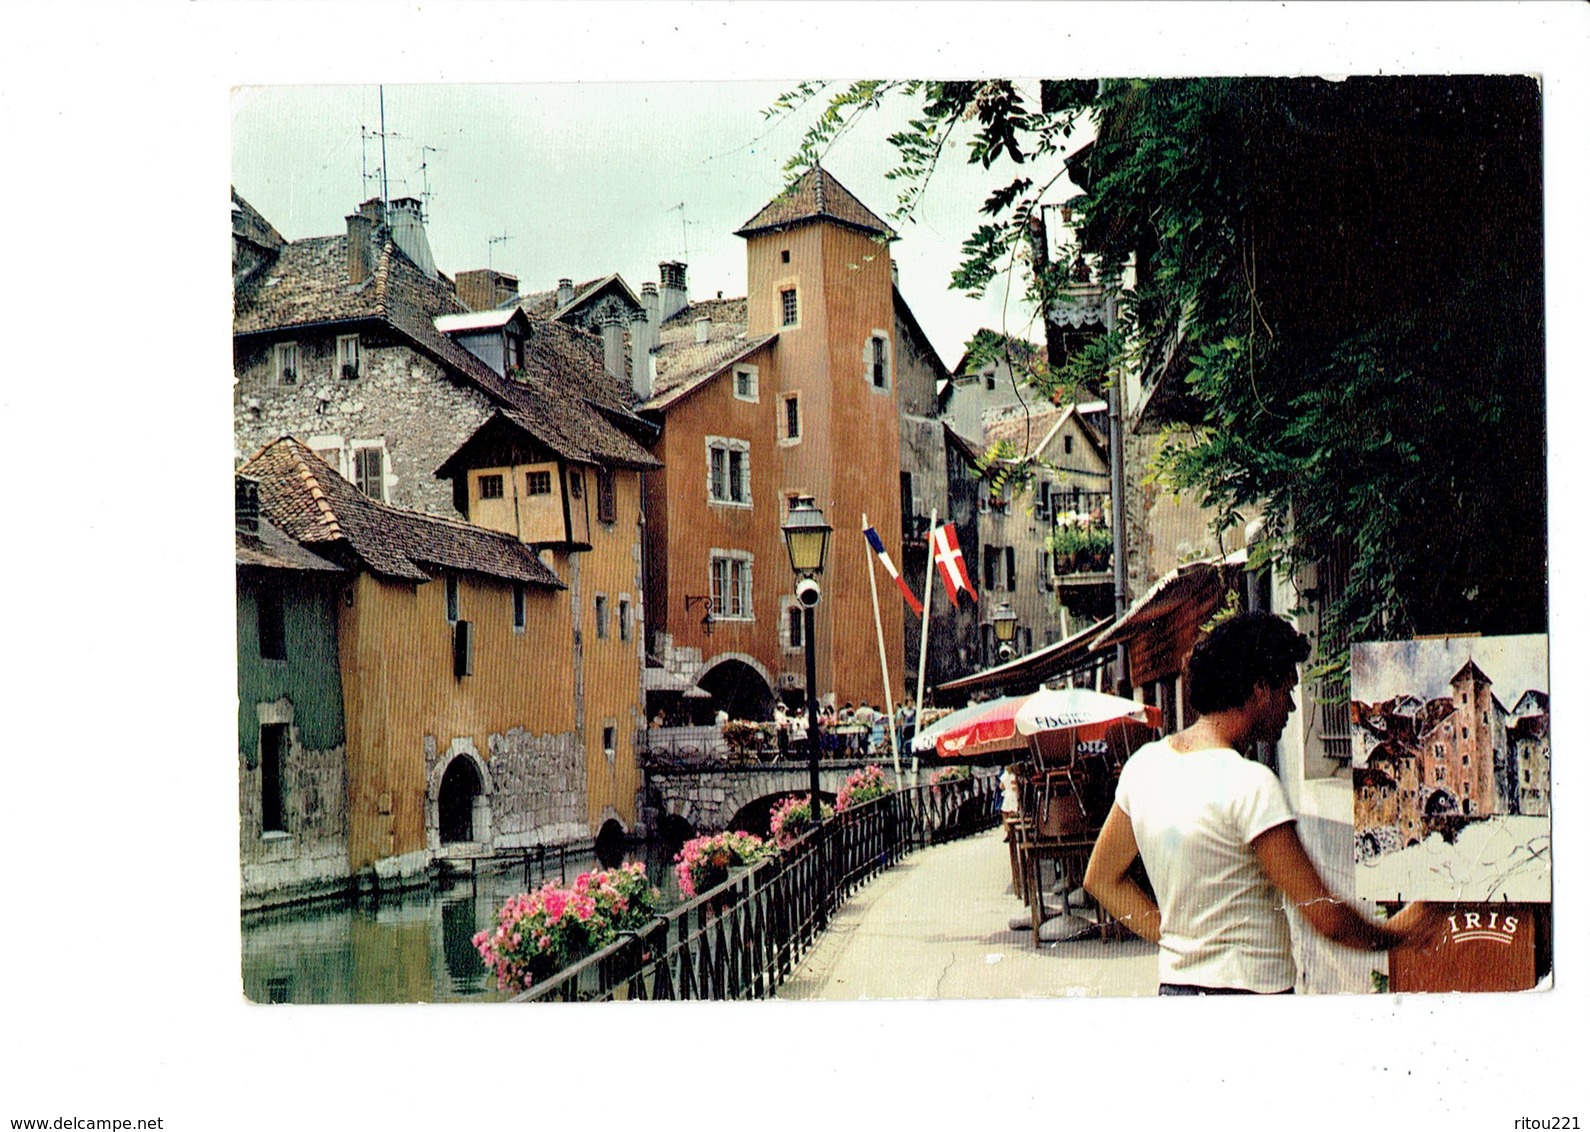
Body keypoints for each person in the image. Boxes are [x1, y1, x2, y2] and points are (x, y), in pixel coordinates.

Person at [1084, 611, 1442, 995]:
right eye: (1286, 690)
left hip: (1177, 992)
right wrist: (1397, 934)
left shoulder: (1145, 768)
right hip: (1249, 1000)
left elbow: (1101, 879)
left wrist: (1180, 942)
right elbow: (1327, 918)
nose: (1290, 707)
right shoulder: (1250, 784)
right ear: (1259, 690)